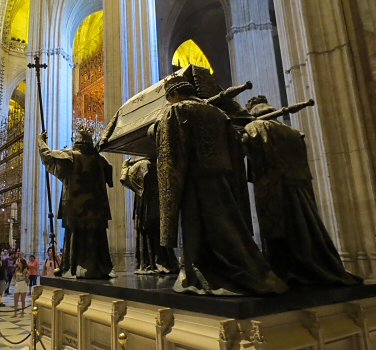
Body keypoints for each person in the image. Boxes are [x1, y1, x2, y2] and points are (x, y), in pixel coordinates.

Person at [150, 75, 288, 295]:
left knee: (198, 231)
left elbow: (171, 153)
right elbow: (235, 149)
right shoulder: (217, 113)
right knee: (228, 227)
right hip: (222, 180)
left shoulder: (177, 111)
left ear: (175, 94)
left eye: (169, 98)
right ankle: (251, 269)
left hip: (194, 181)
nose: (169, 102)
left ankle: (202, 273)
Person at [243, 96, 362, 286]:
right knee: (305, 229)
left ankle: (286, 273)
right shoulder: (292, 131)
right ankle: (314, 266)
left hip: (274, 187)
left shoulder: (256, 127)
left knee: (282, 233)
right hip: (300, 186)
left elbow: (250, 152)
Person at [38, 128, 115, 278]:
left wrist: (41, 142)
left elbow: (48, 157)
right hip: (97, 210)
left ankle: (71, 266)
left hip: (75, 207)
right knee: (96, 237)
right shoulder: (101, 160)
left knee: (74, 237)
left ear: (77, 142)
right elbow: (109, 180)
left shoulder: (70, 157)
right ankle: (98, 267)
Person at [121, 157, 180, 274]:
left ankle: (149, 263)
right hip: (160, 205)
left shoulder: (142, 165)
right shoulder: (163, 162)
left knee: (147, 232)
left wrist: (124, 167)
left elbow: (126, 179)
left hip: (146, 206)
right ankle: (167, 261)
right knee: (160, 232)